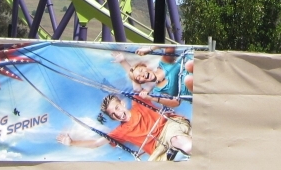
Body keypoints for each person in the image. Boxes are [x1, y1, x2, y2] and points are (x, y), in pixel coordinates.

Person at [56, 94, 191, 161]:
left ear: (122, 103)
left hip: (169, 127)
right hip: (159, 149)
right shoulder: (121, 132)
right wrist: (72, 143)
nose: (118, 114)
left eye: (117, 108)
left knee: (176, 140)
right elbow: (96, 143)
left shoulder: (138, 103)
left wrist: (123, 61)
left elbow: (137, 82)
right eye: (113, 114)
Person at [113, 47, 193, 108]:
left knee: (189, 65)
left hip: (194, 69)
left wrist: (149, 49)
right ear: (141, 82)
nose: (142, 75)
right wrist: (151, 98)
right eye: (139, 78)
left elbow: (169, 46)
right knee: (188, 79)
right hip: (193, 90)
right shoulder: (157, 91)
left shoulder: (163, 63)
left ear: (145, 66)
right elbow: (176, 103)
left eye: (141, 70)